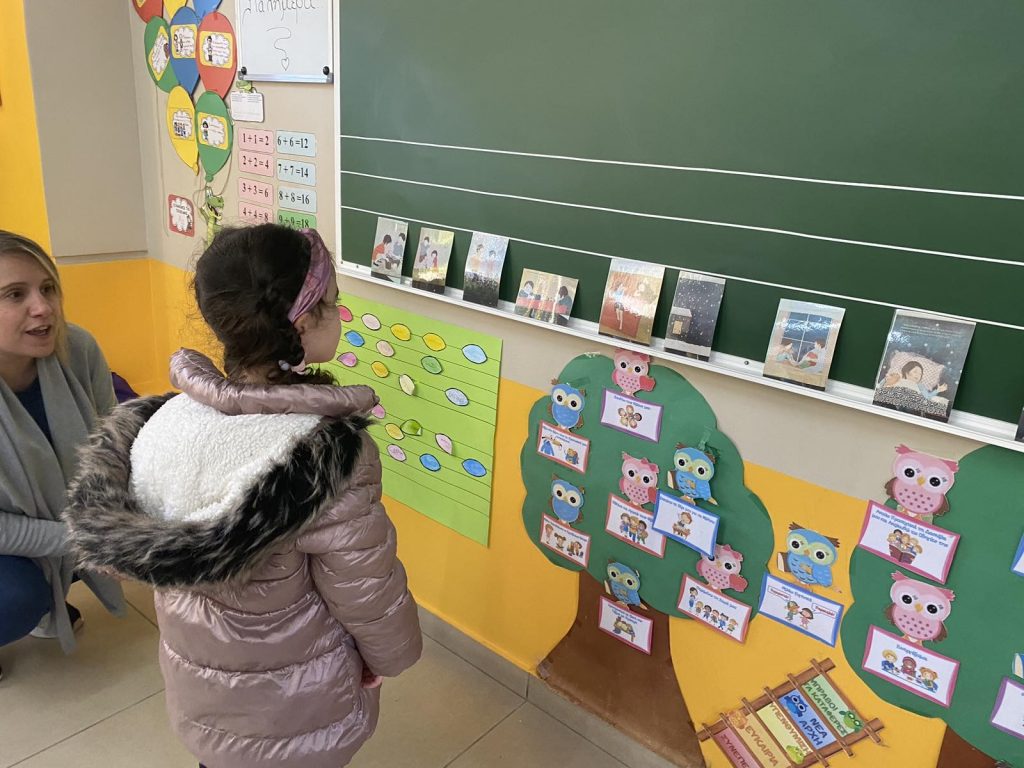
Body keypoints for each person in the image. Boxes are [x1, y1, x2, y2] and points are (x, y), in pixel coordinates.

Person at [64, 225, 422, 768]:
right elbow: (364, 587)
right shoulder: (324, 452)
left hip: (204, 691)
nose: (341, 314)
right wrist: (390, 656)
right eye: (332, 303)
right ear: (302, 323)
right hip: (296, 702)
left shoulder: (165, 422)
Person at [0, 231, 124, 677]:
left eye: (48, 288)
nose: (43, 308)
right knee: (16, 598)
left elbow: (115, 442)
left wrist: (125, 525)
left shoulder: (77, 347)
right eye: (15, 295)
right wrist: (89, 540)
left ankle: (48, 588)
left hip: (56, 519)